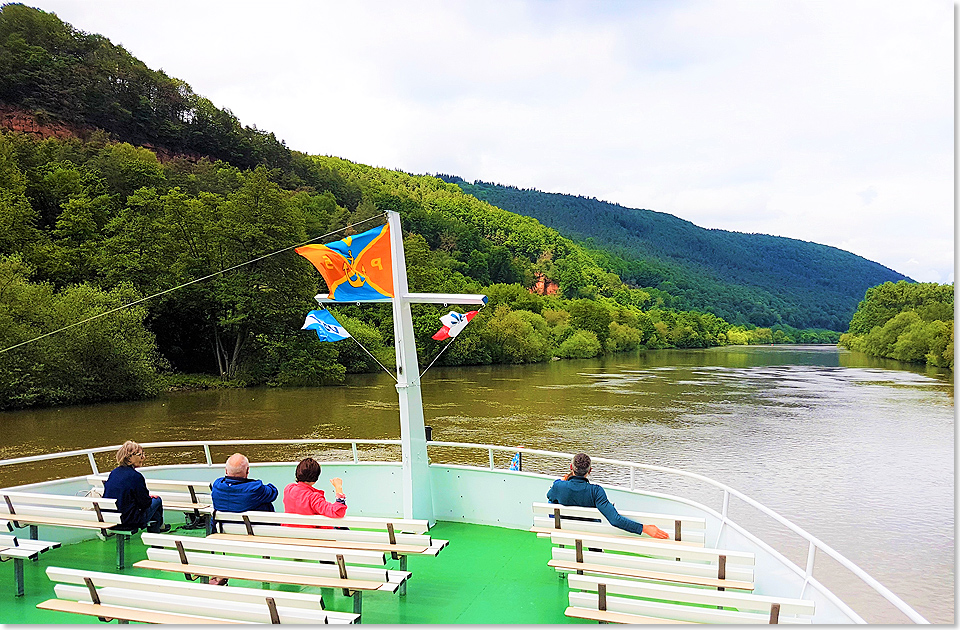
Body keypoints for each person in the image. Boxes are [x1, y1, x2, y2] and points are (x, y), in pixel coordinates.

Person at [547, 452, 669, 539]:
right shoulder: (596, 491)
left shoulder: (558, 486)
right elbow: (615, 520)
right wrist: (645, 528)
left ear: (571, 467)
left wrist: (561, 482)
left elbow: (550, 497)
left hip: (564, 529)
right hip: (590, 532)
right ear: (590, 471)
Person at [102, 440, 169, 533]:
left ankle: (159, 528)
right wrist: (150, 498)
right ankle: (157, 534)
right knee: (157, 500)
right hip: (129, 521)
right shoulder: (136, 476)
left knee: (154, 508)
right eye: (140, 455)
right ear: (129, 458)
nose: (143, 458)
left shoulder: (113, 473)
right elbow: (145, 503)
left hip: (110, 519)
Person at [283, 458, 347, 524]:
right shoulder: (313, 498)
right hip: (311, 532)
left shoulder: (288, 489)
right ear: (315, 479)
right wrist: (338, 488)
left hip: (289, 531)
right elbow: (338, 512)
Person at [211, 453, 279, 513]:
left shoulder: (217, 486)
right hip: (254, 526)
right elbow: (273, 492)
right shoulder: (255, 489)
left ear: (226, 470)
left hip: (223, 526)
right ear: (247, 471)